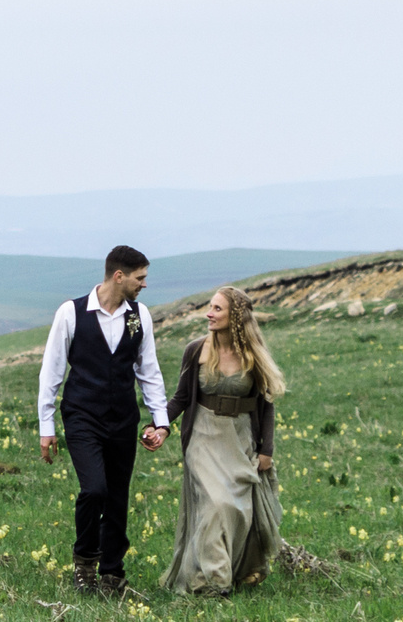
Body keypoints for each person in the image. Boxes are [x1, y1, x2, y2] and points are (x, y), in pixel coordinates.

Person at [35, 245, 169, 597]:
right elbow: (51, 371)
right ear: (118, 276)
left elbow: (149, 371)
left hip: (123, 419)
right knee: (94, 489)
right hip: (82, 416)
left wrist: (161, 421)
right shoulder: (71, 312)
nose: (144, 285)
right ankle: (84, 563)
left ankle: (112, 573)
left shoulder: (139, 315)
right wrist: (47, 426)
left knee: (118, 497)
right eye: (140, 278)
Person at [159, 284, 287, 595]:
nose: (209, 314)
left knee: (237, 510)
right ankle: (212, 582)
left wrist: (266, 450)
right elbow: (180, 398)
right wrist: (160, 425)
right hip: (203, 436)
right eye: (210, 307)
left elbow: (266, 405)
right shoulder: (196, 350)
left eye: (217, 309)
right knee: (215, 505)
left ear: (236, 317)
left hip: (239, 438)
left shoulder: (253, 354)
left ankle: (236, 569)